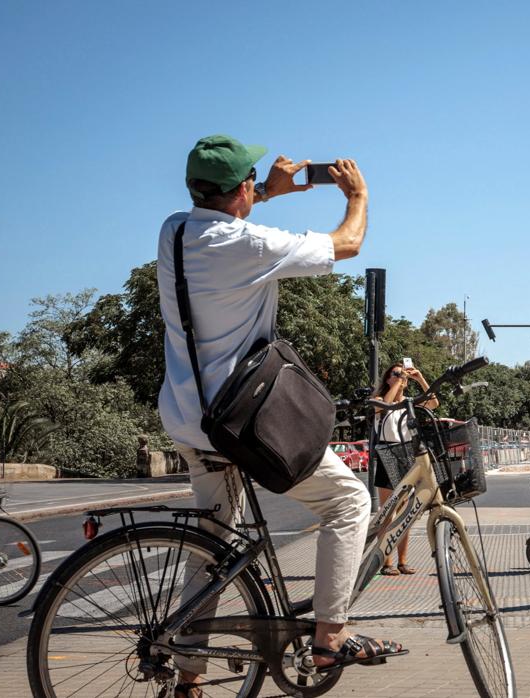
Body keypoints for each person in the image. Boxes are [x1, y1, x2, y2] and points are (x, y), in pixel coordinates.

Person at [157, 135, 400, 696]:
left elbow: (221, 215)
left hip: (189, 418)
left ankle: (188, 676)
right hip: (241, 422)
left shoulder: (173, 231)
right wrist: (357, 195)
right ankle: (329, 640)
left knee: (211, 542)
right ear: (239, 187)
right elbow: (349, 243)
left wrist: (268, 192)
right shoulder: (251, 245)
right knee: (349, 501)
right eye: (251, 184)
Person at [374, 361, 438, 576]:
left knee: (404, 513)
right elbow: (385, 405)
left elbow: (434, 403)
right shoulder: (379, 401)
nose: (401, 377)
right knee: (387, 513)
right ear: (387, 379)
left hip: (405, 455)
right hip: (386, 455)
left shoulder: (409, 403)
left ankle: (402, 560)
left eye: (402, 374)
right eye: (395, 373)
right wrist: (398, 382)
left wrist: (419, 378)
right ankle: (386, 561)